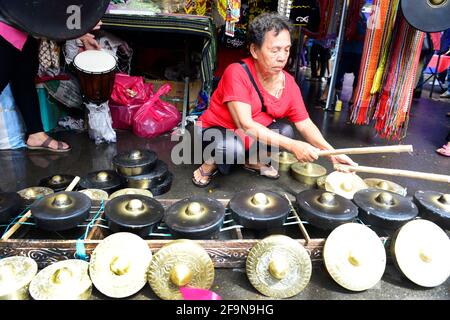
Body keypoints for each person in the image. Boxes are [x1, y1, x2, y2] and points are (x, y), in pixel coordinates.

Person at [192, 12, 357, 187]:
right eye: (275, 50)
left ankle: (252, 160)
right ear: (255, 50)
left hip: (247, 134)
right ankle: (208, 165)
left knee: (285, 131)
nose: (282, 57)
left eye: (286, 49)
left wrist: (332, 154)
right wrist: (293, 146)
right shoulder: (237, 72)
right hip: (216, 131)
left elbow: (305, 124)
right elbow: (245, 125)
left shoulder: (289, 83)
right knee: (232, 147)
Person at [0, 13, 101, 152]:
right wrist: (80, 31)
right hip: (6, 25)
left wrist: (80, 31)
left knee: (24, 78)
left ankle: (36, 134)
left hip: (21, 27)